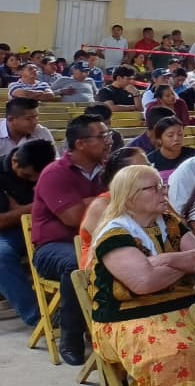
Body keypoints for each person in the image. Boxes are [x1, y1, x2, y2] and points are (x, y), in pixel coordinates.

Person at [86, 164, 195, 385]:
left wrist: (165, 260)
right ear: (129, 197)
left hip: (184, 307)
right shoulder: (114, 234)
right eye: (154, 188)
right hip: (131, 317)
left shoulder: (169, 222)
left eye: (163, 186)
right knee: (174, 355)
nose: (164, 192)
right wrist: (185, 262)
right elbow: (144, 283)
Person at [31, 113, 110, 365]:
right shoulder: (55, 173)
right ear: (81, 144)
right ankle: (71, 336)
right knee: (76, 264)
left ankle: (111, 328)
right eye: (101, 136)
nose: (108, 141)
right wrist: (109, 198)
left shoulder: (106, 170)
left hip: (96, 240)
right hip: (53, 247)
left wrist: (100, 200)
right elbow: (73, 217)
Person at [0, 138, 56, 327]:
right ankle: (38, 317)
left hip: (44, 225)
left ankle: (71, 305)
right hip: (10, 234)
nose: (35, 182)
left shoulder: (50, 168)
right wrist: (39, 204)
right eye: (30, 176)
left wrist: (17, 210)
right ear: (15, 161)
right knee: (1, 254)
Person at [79, 147, 149, 268]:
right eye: (141, 171)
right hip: (104, 274)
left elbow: (178, 228)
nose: (150, 173)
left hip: (148, 265)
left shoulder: (153, 197)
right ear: (121, 176)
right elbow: (118, 248)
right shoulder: (102, 206)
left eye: (149, 167)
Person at [146, 116, 195, 182]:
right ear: (159, 139)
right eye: (170, 135)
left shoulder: (194, 156)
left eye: (180, 134)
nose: (176, 139)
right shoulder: (150, 161)